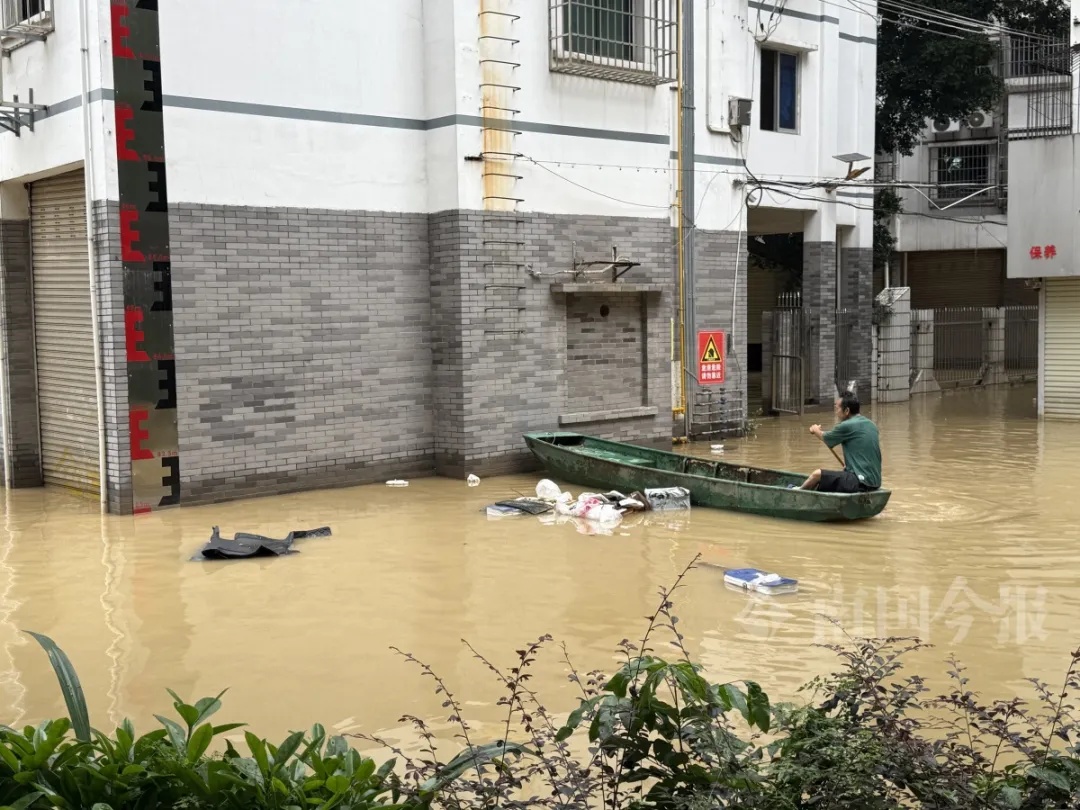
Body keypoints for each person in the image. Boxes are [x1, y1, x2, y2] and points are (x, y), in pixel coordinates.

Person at [798, 391, 882, 493]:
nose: (836, 412)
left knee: (817, 475)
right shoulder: (871, 425)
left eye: (837, 408)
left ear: (846, 410)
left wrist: (815, 430)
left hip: (860, 482)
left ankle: (795, 495)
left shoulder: (846, 425)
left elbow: (828, 439)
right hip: (875, 482)